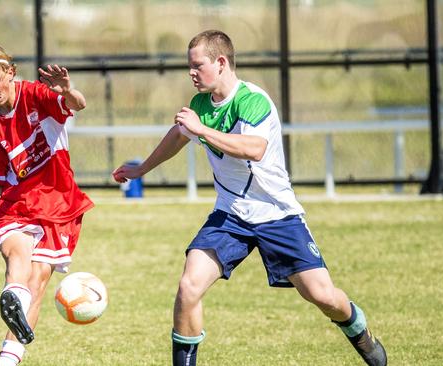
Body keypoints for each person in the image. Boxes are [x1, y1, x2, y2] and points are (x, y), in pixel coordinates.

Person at [112, 30, 387, 366]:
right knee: (188, 287)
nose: (191, 73)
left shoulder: (253, 100)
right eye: (190, 66)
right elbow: (179, 134)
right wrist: (142, 169)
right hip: (230, 215)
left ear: (221, 62)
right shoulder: (201, 104)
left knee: (322, 296)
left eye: (197, 65)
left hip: (277, 214)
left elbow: (254, 149)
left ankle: (359, 330)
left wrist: (201, 130)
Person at [0, 42, 94, 366]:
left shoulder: (34, 95)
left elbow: (76, 104)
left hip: (57, 201)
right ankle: (12, 297)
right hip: (17, 202)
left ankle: (8, 357)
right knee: (16, 256)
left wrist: (67, 90)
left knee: (37, 281)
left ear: (10, 71)